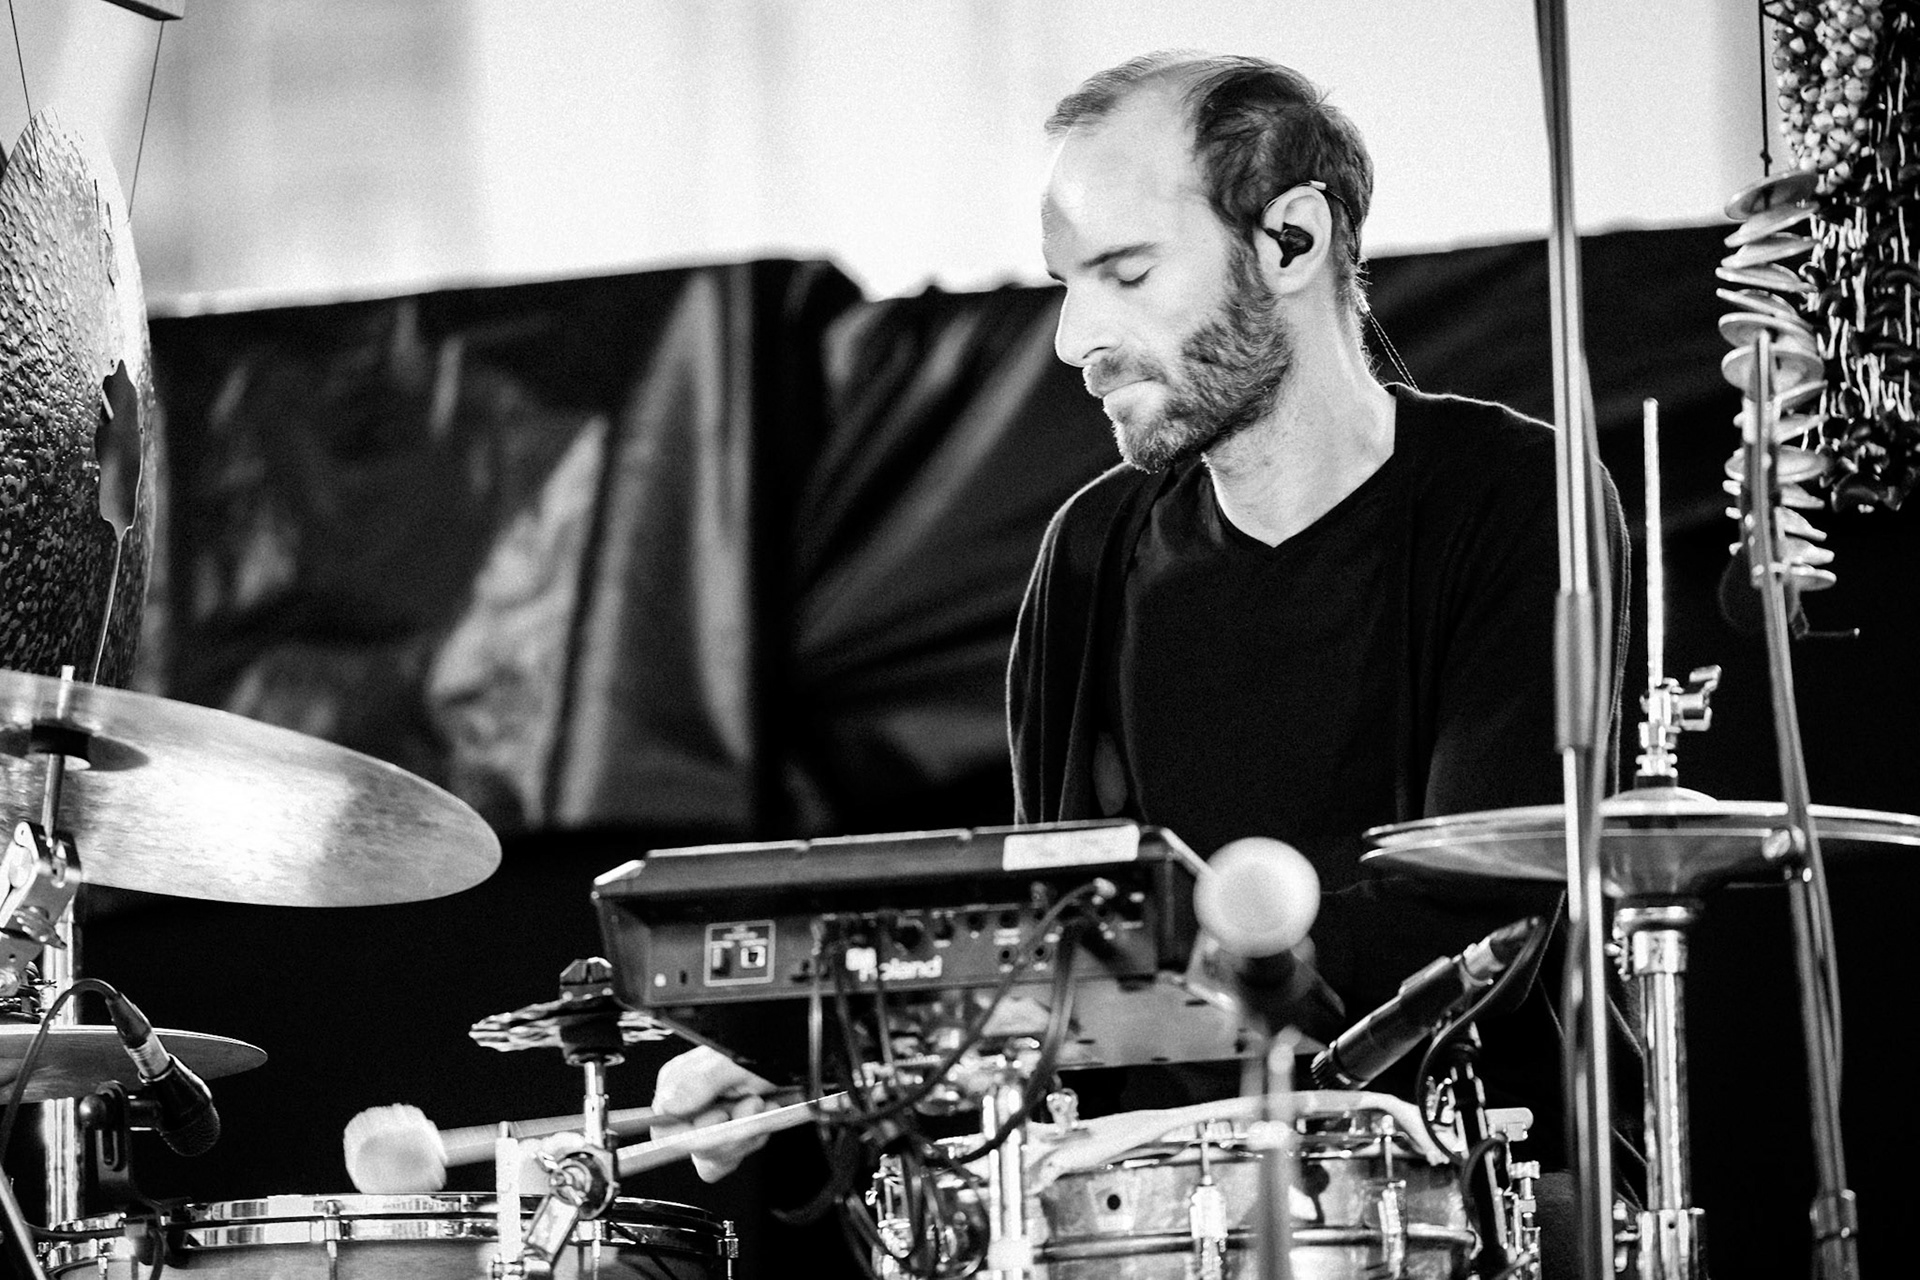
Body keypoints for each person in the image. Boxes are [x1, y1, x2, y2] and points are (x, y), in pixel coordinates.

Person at [654, 48, 1626, 1235]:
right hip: (1147, 1221)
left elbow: (1477, 929)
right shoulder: (1091, 550)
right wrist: (832, 1061)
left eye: (1125, 272)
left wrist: (1091, 985)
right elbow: (1050, 952)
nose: (1074, 338)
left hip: (1462, 1206)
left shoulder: (1516, 497)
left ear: (1291, 240)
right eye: (1067, 284)